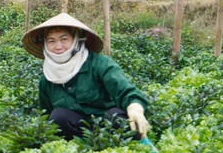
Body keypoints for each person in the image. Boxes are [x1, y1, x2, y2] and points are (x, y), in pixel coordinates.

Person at [22, 12, 151, 143]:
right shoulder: (47, 79)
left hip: (110, 129)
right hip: (79, 134)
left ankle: (139, 147)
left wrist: (135, 109)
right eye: (51, 41)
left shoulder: (100, 64)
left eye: (64, 39)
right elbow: (46, 115)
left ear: (76, 39)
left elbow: (126, 91)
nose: (58, 46)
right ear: (45, 45)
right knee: (58, 117)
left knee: (116, 117)